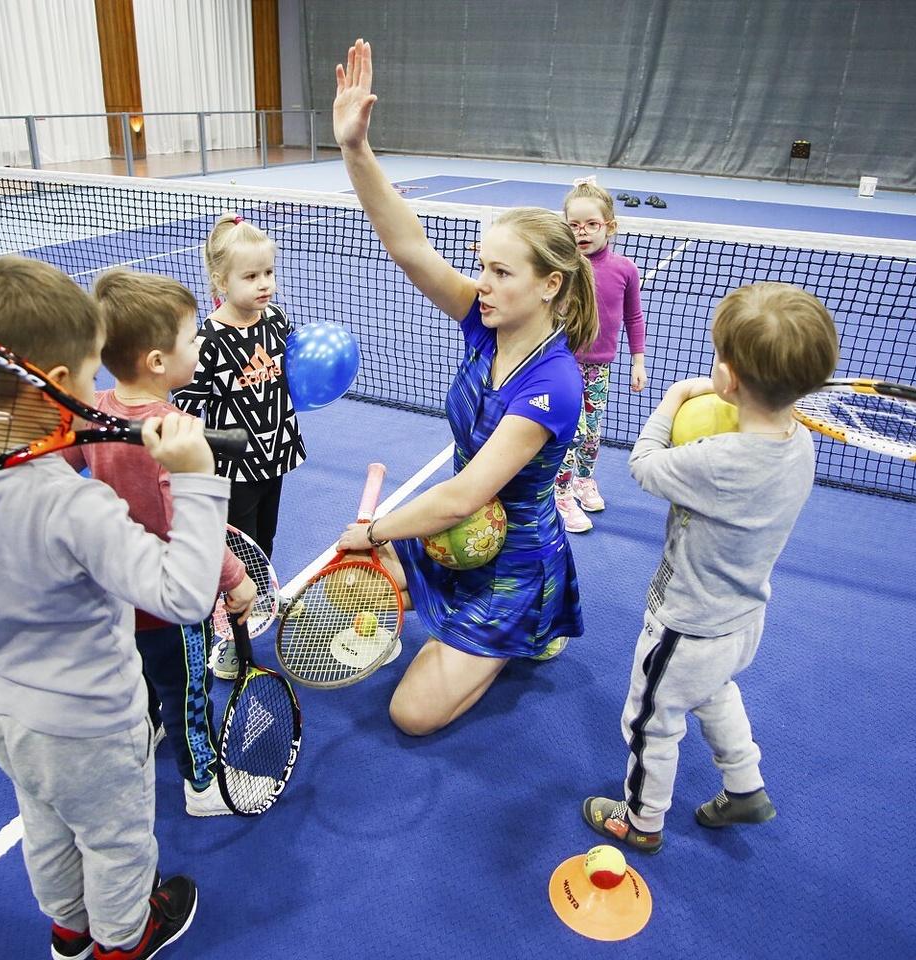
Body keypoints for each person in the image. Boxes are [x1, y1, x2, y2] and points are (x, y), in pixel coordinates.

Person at [0, 255, 221, 959]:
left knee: (44, 822)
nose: (95, 385)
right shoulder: (76, 505)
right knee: (116, 840)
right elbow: (183, 594)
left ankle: (69, 931)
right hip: (90, 720)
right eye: (87, 373)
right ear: (56, 384)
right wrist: (197, 481)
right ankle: (121, 938)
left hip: (5, 711)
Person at [331, 39, 599, 736]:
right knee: (390, 563)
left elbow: (463, 494)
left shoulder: (555, 382)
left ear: (550, 284)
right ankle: (446, 604)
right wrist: (356, 149)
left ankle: (519, 632)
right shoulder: (486, 322)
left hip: (510, 558)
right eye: (483, 266)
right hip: (459, 538)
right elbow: (409, 244)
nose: (483, 283)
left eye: (502, 273)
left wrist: (372, 530)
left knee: (409, 714)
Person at [581, 281, 839, 855]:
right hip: (743, 617)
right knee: (715, 691)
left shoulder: (720, 459)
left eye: (721, 359)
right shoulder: (799, 442)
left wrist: (672, 400)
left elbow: (645, 466)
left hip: (686, 624)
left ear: (731, 379)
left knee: (651, 722)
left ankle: (641, 819)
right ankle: (745, 785)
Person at [66, 267, 257, 818]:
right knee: (187, 693)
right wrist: (236, 581)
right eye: (192, 337)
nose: (200, 344)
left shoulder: (96, 411)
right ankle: (203, 784)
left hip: (115, 590)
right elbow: (191, 528)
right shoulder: (178, 436)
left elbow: (58, 464)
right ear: (156, 362)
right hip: (170, 603)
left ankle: (145, 729)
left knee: (141, 672)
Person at [174, 211, 304, 678]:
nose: (264, 284)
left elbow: (294, 374)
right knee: (237, 550)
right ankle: (230, 637)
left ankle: (264, 597)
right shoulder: (206, 339)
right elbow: (186, 405)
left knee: (263, 538)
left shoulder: (275, 319)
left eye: (268, 272)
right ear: (221, 281)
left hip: (277, 450)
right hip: (234, 464)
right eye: (250, 276)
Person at [553, 176, 648, 534]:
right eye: (574, 225)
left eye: (592, 224)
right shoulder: (562, 267)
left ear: (610, 227)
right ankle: (559, 494)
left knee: (592, 434)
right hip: (563, 365)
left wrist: (638, 361)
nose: (583, 232)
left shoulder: (625, 270)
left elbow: (633, 317)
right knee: (571, 434)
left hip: (600, 370)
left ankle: (583, 482)